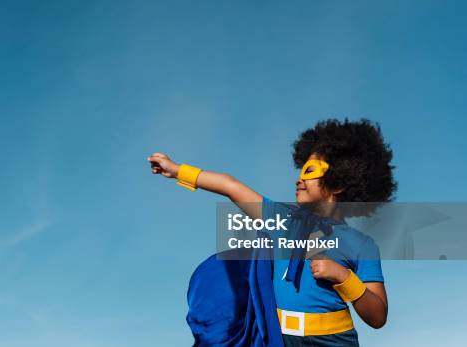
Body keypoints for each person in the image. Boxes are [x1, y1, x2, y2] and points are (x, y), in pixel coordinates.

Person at [148, 119, 395, 346]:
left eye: (310, 171)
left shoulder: (362, 245)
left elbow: (377, 316)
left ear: (340, 182)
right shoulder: (281, 218)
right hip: (277, 339)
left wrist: (344, 277)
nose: (299, 180)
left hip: (333, 342)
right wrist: (177, 170)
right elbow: (231, 187)